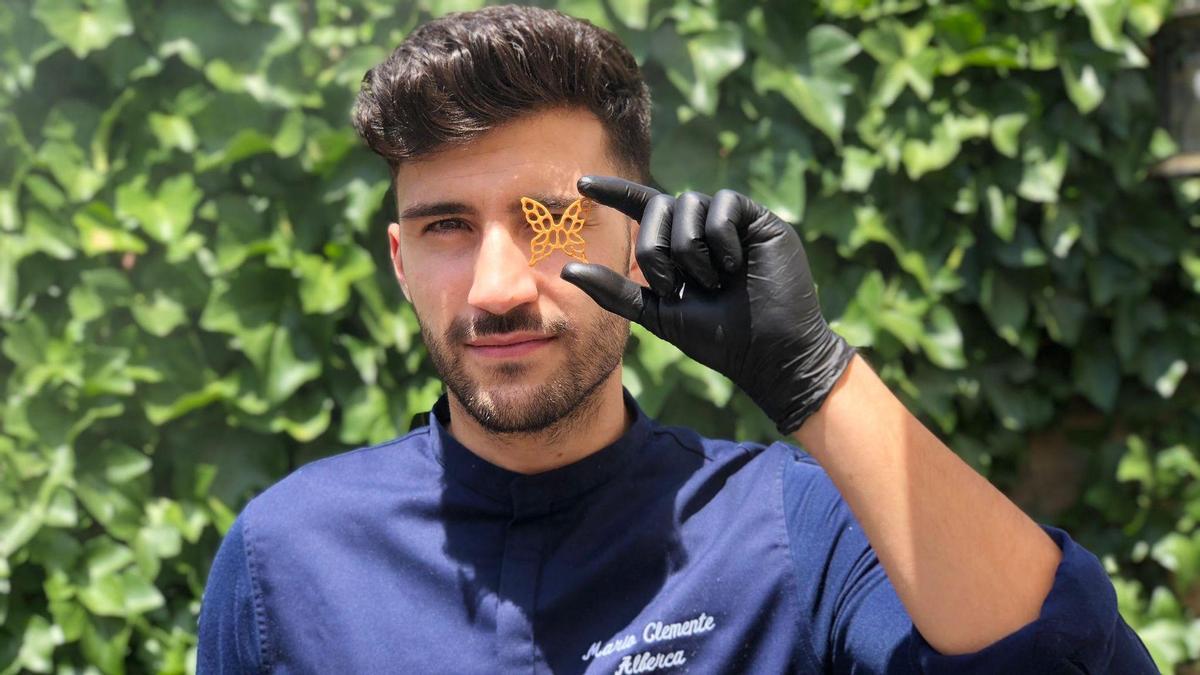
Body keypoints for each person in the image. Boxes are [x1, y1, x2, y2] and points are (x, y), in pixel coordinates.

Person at [197, 5, 1157, 673]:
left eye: (549, 219)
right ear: (401, 262)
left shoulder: (791, 530)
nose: (495, 287)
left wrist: (815, 378)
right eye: (449, 227)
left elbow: (1070, 661)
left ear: (638, 235)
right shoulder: (287, 557)